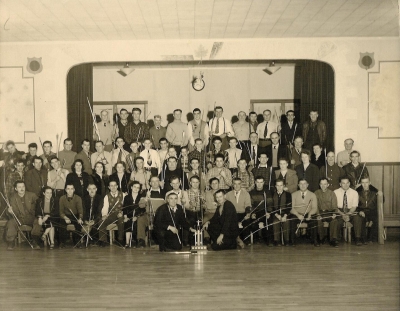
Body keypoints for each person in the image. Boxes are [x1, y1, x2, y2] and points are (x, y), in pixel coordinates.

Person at [5, 180, 40, 250]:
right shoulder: (13, 198)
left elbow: (39, 207)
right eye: (19, 187)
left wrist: (39, 216)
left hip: (31, 217)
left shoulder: (32, 195)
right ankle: (11, 242)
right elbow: (12, 212)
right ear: (16, 189)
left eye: (23, 186)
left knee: (38, 221)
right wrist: (10, 212)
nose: (22, 188)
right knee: (11, 223)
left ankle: (35, 241)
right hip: (19, 218)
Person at [290, 179, 319, 246]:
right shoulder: (293, 194)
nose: (303, 185)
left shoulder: (312, 195)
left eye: (304, 183)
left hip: (308, 213)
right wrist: (298, 215)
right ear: (298, 185)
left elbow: (314, 207)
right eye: (301, 184)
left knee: (314, 220)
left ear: (307, 185)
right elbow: (291, 208)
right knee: (292, 220)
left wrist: (310, 214)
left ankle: (314, 240)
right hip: (297, 213)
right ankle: (292, 241)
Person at [98, 180, 125, 247]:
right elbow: (105, 207)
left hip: (120, 214)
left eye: (115, 185)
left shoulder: (123, 194)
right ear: (109, 187)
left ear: (117, 186)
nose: (113, 187)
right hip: (110, 215)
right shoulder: (107, 196)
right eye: (111, 186)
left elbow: (125, 206)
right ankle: (103, 240)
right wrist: (104, 215)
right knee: (101, 221)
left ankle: (120, 240)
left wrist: (122, 213)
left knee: (121, 221)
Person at [314, 178, 340, 247]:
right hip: (319, 213)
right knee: (318, 221)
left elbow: (335, 206)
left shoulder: (332, 193)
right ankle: (321, 238)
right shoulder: (316, 193)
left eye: (325, 184)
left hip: (329, 213)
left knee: (334, 221)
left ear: (328, 185)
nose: (323, 186)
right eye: (321, 184)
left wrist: (334, 213)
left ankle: (333, 240)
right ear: (319, 185)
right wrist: (318, 214)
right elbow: (315, 206)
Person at [225, 178, 251, 247]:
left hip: (243, 213)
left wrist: (248, 214)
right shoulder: (228, 194)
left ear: (241, 185)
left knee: (247, 221)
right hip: (233, 214)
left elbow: (248, 205)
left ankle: (246, 239)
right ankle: (235, 240)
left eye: (239, 184)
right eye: (235, 184)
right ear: (232, 185)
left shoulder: (246, 194)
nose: (237, 186)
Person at [248, 176, 274, 245]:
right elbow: (251, 205)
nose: (259, 184)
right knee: (253, 221)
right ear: (255, 182)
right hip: (256, 212)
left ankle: (269, 240)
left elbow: (270, 204)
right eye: (258, 182)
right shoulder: (251, 193)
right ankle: (256, 239)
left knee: (269, 221)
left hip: (265, 211)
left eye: (261, 182)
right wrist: (252, 213)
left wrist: (268, 212)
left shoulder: (267, 192)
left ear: (264, 183)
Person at [334, 177, 359, 244]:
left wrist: (348, 214)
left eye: (347, 183)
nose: (346, 185)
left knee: (357, 218)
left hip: (350, 211)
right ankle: (335, 239)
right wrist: (342, 214)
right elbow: (335, 207)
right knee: (336, 221)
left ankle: (357, 238)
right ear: (340, 184)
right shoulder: (335, 192)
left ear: (349, 183)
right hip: (339, 211)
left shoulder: (354, 192)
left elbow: (354, 206)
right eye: (343, 183)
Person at [123, 181, 148, 248]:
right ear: (131, 187)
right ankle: (127, 243)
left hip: (138, 216)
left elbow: (143, 210)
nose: (136, 189)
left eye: (138, 187)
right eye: (134, 187)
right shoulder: (127, 197)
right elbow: (124, 208)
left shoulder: (141, 197)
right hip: (129, 216)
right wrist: (125, 217)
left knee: (137, 223)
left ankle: (136, 241)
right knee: (128, 222)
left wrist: (137, 216)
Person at [58, 183, 85, 248]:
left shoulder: (78, 198)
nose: (70, 191)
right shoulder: (62, 198)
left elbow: (80, 211)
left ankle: (77, 242)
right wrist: (65, 217)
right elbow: (61, 212)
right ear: (65, 190)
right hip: (65, 216)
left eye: (71, 189)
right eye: (68, 189)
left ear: (74, 190)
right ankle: (62, 242)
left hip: (75, 215)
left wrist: (80, 218)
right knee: (61, 224)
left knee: (78, 224)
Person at [355, 177, 379, 243]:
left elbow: (381, 202)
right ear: (360, 184)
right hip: (362, 211)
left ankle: (371, 238)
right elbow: (355, 204)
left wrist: (379, 192)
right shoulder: (357, 192)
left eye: (366, 182)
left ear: (370, 183)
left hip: (372, 211)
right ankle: (363, 238)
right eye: (363, 183)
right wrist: (360, 211)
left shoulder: (374, 192)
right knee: (360, 218)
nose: (365, 184)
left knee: (375, 218)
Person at [271, 179, 292, 246]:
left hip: (285, 213)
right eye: (278, 185)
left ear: (284, 186)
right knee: (275, 222)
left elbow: (289, 206)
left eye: (281, 185)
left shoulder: (288, 194)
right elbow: (271, 206)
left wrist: (285, 216)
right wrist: (277, 215)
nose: (279, 187)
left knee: (286, 221)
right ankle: (277, 241)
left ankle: (287, 240)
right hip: (275, 214)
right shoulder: (272, 194)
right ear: (275, 186)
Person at [203, 177, 220, 243]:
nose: (214, 185)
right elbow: (204, 204)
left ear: (219, 184)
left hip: (218, 213)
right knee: (204, 220)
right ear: (210, 184)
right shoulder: (207, 193)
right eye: (212, 183)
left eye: (216, 183)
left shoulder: (222, 193)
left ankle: (215, 238)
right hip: (209, 212)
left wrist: (216, 205)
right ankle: (206, 238)